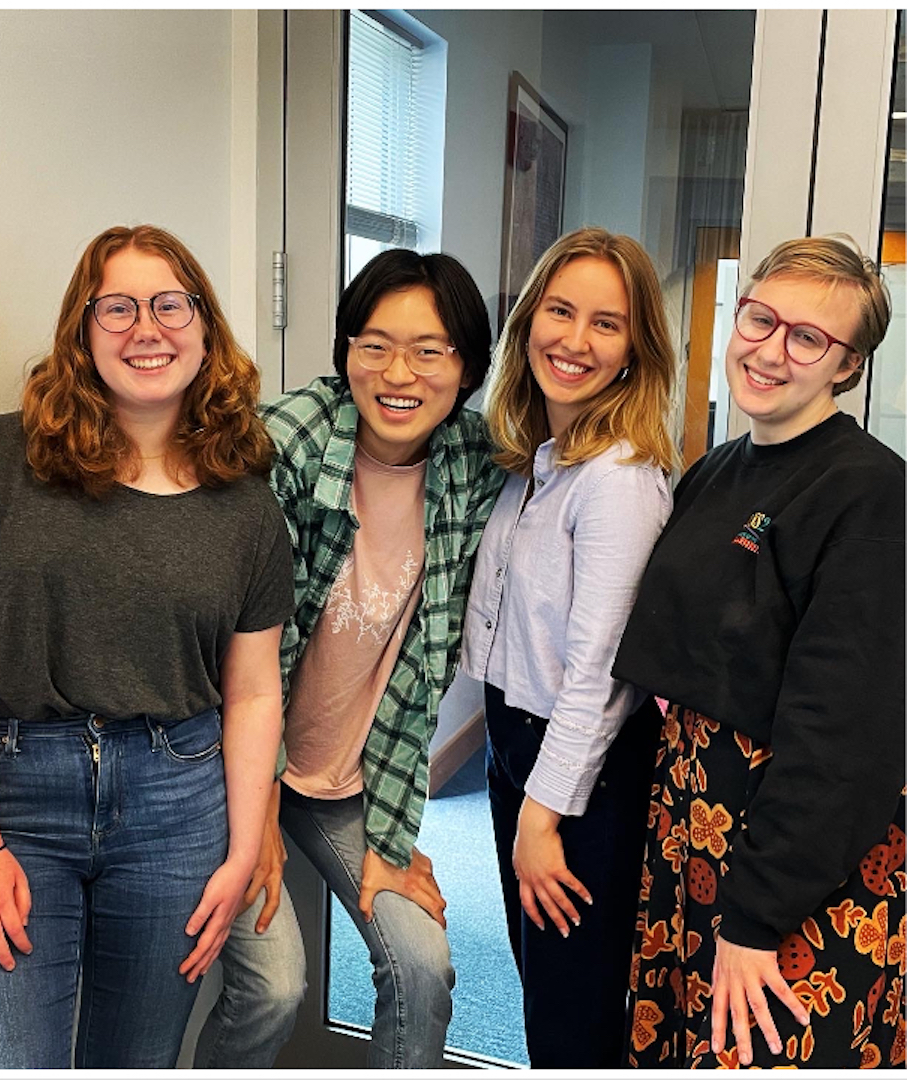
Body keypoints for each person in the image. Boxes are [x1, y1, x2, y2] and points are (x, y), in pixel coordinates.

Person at [0, 225, 290, 1069]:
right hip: (16, 796)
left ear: (205, 328)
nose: (148, 328)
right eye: (119, 308)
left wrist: (244, 847)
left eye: (172, 304)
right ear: (82, 331)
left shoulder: (246, 504)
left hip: (177, 808)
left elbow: (252, 692)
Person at [198, 248, 504, 1069]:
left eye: (430, 350)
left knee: (422, 964)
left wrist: (395, 834)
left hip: (352, 773)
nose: (398, 372)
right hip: (230, 762)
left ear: (468, 366)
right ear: (344, 352)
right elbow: (239, 650)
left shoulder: (471, 463)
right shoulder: (286, 445)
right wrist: (255, 817)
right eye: (373, 344)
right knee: (274, 989)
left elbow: (429, 663)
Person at [616, 236, 903, 1069]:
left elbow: (843, 737)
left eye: (808, 338)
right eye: (760, 318)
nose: (771, 350)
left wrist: (757, 916)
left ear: (847, 368)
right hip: (693, 827)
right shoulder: (715, 471)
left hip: (794, 859)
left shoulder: (870, 494)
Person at [460, 228, 677, 1066]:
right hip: (516, 749)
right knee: (546, 990)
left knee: (572, 1021)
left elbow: (601, 677)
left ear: (634, 350)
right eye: (559, 310)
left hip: (581, 776)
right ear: (528, 321)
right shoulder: (536, 462)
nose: (575, 341)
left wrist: (543, 817)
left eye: (607, 324)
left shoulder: (618, 481)